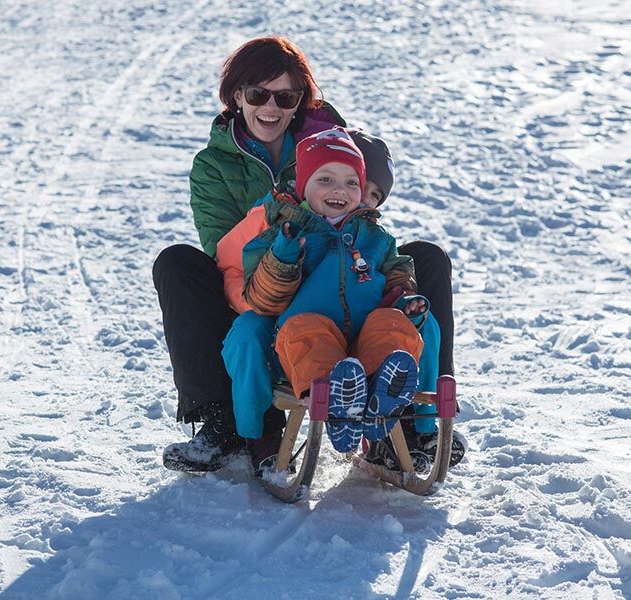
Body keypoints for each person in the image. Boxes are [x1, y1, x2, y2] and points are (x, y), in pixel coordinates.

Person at [154, 36, 457, 473]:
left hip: (341, 279)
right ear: (237, 95)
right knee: (177, 263)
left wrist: (379, 276)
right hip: (261, 287)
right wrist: (271, 298)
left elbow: (362, 203)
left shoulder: (332, 141)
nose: (271, 107)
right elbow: (225, 254)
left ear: (301, 101)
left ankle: (411, 422)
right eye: (258, 94)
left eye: (286, 96)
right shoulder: (213, 166)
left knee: (426, 257)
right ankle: (221, 423)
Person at [219, 129, 439, 475]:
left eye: (353, 183)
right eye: (326, 179)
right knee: (308, 330)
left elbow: (396, 268)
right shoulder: (283, 233)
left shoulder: (375, 236)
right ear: (303, 186)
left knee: (392, 324)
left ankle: (382, 388)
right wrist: (284, 256)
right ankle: (338, 400)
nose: (341, 191)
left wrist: (403, 294)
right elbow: (262, 298)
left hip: (363, 337)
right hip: (305, 337)